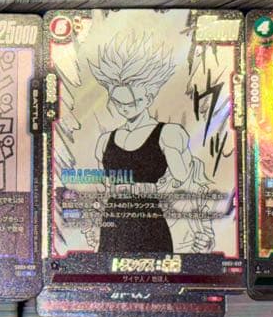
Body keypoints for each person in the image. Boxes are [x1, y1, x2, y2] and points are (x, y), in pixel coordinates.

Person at [89, 34, 212, 254]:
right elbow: (101, 191)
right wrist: (93, 225)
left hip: (149, 222)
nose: (125, 108)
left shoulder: (169, 133)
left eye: (131, 102)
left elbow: (187, 182)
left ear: (148, 98)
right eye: (118, 102)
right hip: (113, 224)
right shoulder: (104, 140)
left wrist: (204, 231)